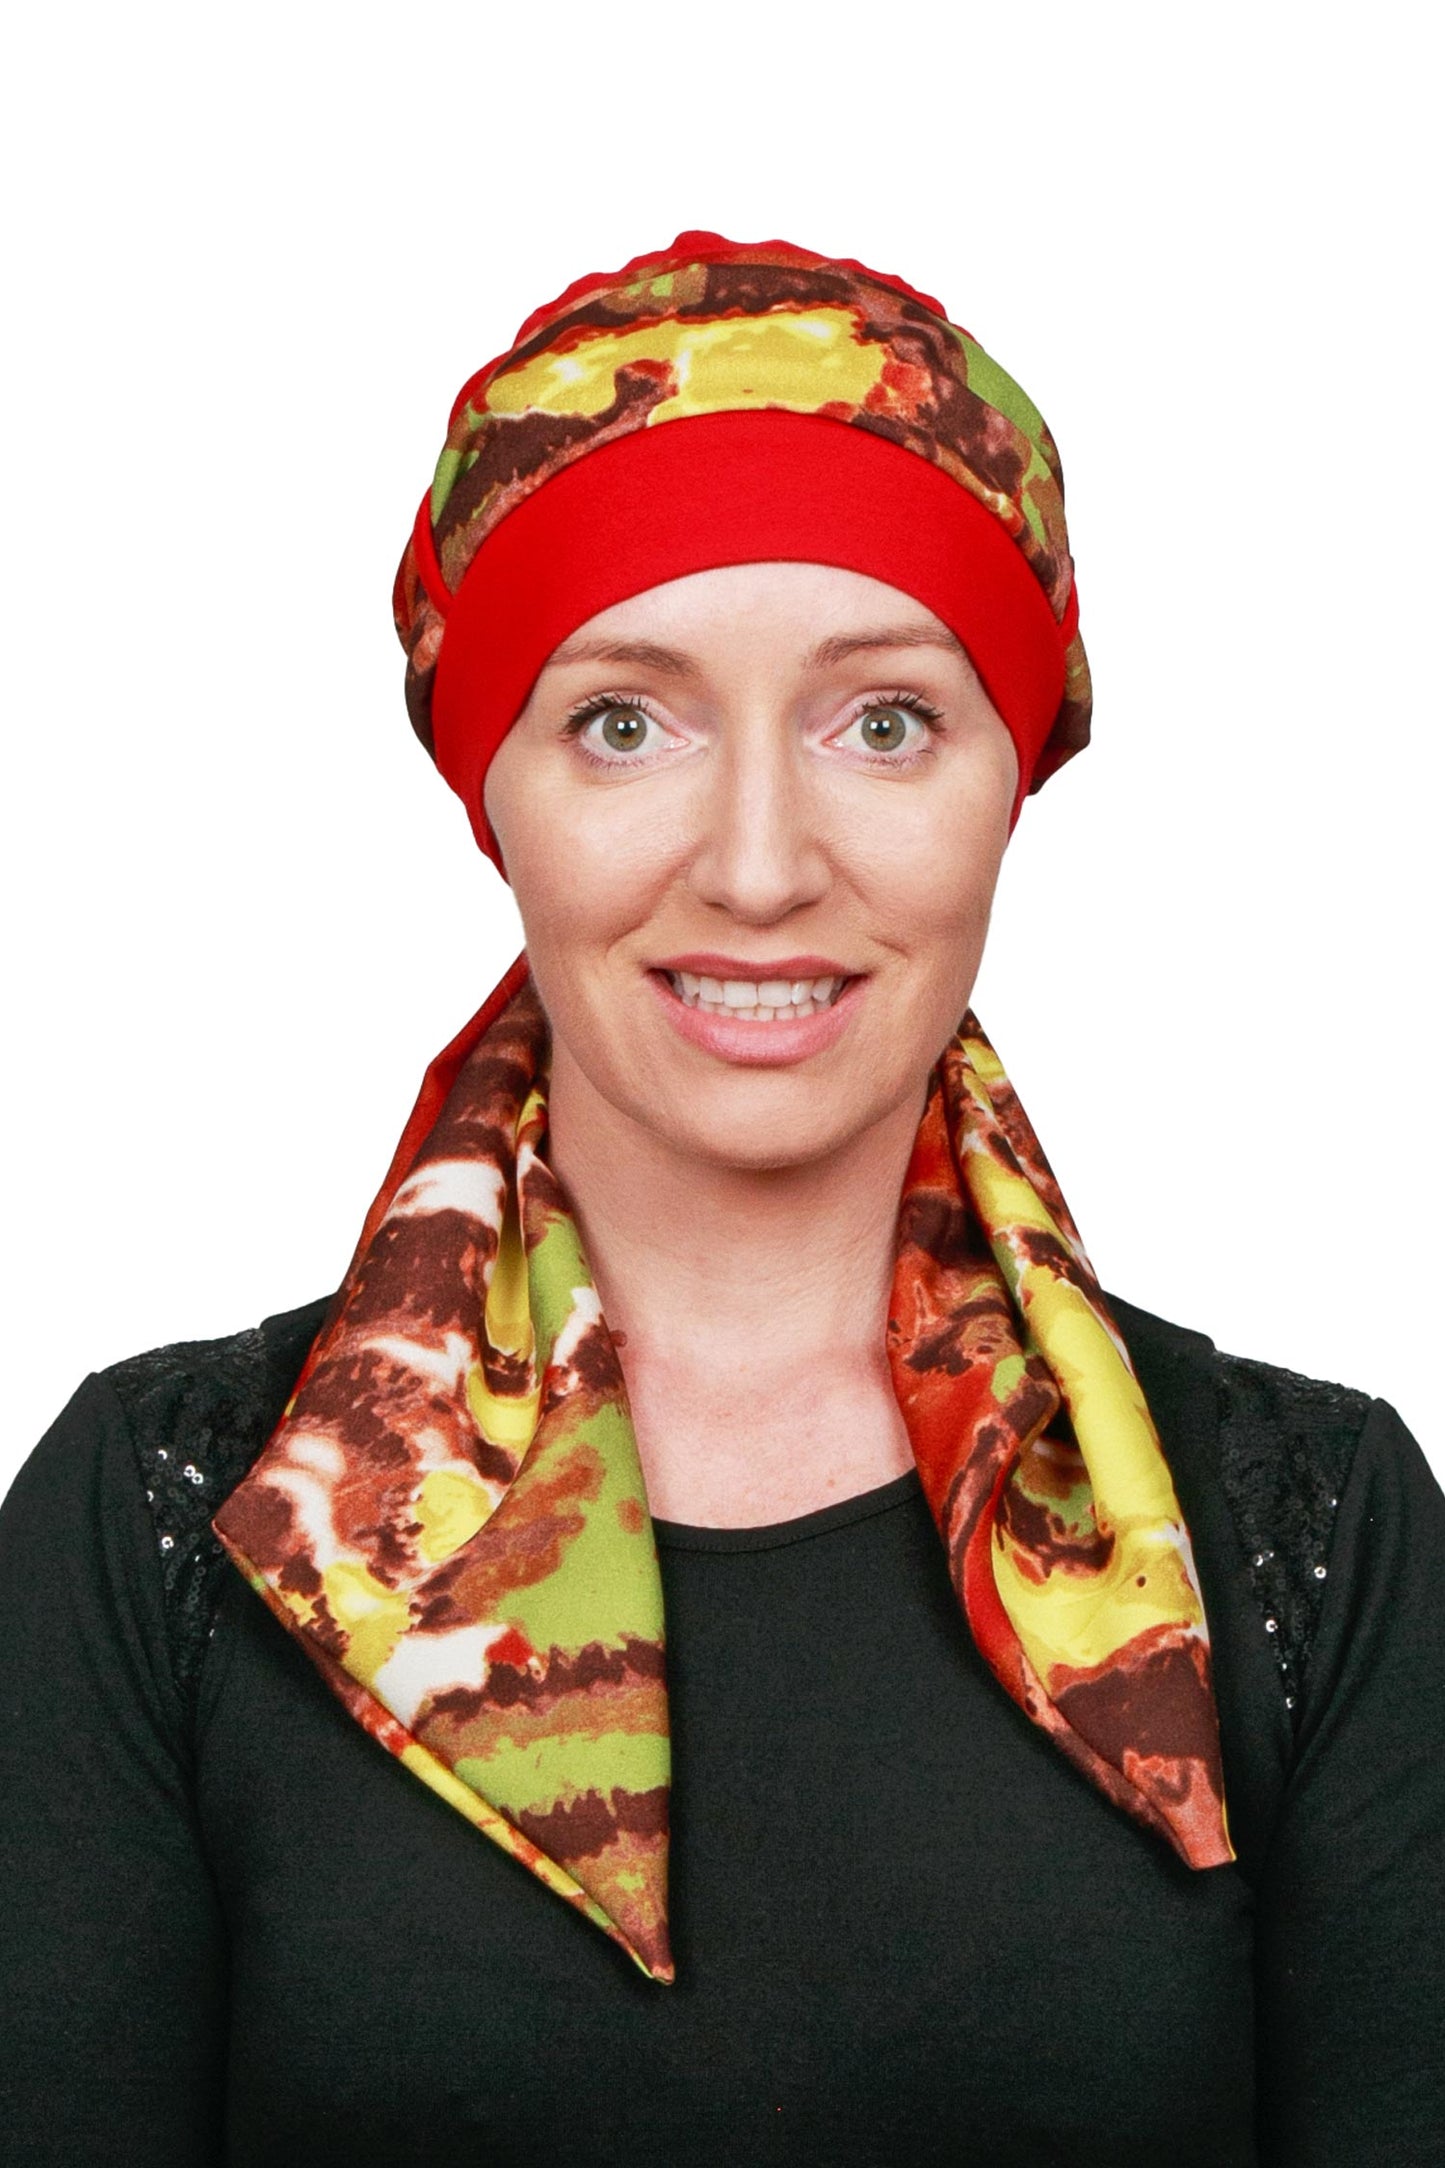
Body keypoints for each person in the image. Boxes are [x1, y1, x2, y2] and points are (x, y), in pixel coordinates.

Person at [1, 230, 1441, 2167]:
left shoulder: (1305, 1536)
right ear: (490, 782)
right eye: (624, 720)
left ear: (1013, 775)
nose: (759, 865)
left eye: (884, 721)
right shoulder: (175, 1529)